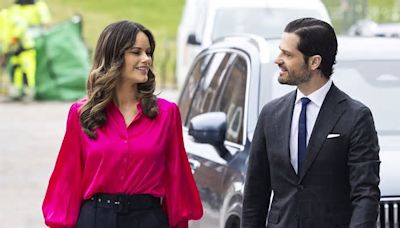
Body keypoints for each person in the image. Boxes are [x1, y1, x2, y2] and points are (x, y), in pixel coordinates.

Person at [42, 20, 203, 228]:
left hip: (148, 220)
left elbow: (177, 182)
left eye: (148, 52)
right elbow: (67, 180)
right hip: (95, 220)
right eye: (136, 52)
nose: (146, 59)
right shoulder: (82, 114)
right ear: (114, 56)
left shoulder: (166, 114)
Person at [242, 17, 380, 228]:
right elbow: (255, 193)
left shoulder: (356, 117)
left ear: (314, 62)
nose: (278, 59)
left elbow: (365, 195)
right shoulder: (271, 115)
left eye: (287, 54)